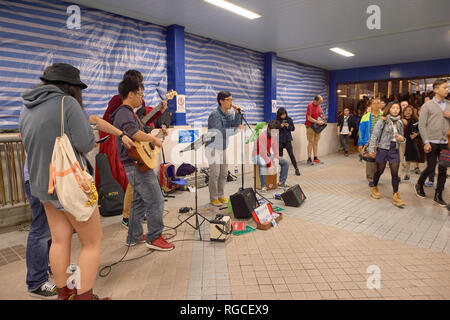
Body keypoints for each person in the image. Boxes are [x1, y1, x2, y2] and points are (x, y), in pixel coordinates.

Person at [19, 63, 109, 300]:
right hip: (70, 186)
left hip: (43, 186)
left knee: (58, 240)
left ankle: (64, 293)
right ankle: (84, 296)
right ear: (72, 87)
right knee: (92, 242)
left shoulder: (27, 108)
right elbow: (85, 142)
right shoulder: (66, 103)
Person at [97, 70, 166, 228]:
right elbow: (118, 124)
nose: (141, 93)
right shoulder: (120, 104)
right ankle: (134, 221)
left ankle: (132, 225)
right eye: (139, 87)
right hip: (117, 142)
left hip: (133, 145)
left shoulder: (131, 108)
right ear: (131, 90)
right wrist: (150, 138)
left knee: (135, 190)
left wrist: (158, 115)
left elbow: (140, 123)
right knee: (138, 188)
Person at [111, 77, 174, 250]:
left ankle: (134, 236)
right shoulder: (124, 112)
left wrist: (156, 137)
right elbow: (134, 134)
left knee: (138, 201)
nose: (142, 98)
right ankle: (154, 238)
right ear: (131, 93)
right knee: (155, 200)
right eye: (140, 94)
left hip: (135, 162)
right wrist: (154, 138)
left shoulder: (129, 113)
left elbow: (141, 139)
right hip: (136, 165)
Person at [23, 157, 56, 299]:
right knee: (41, 231)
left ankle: (50, 267)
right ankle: (37, 282)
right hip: (39, 178)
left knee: (49, 229)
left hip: (42, 177)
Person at [415, 78, 450, 207]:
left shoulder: (449, 105)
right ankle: (419, 184)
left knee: (443, 169)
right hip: (431, 142)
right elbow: (422, 125)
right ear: (436, 89)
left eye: (448, 87)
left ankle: (438, 195)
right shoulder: (427, 106)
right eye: (445, 87)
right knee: (430, 167)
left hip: (445, 143)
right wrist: (426, 142)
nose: (447, 90)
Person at [205, 91, 243, 206]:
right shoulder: (214, 115)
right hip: (213, 147)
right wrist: (236, 130)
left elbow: (235, 125)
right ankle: (213, 197)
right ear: (221, 101)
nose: (231, 102)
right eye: (229, 100)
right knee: (215, 174)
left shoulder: (229, 113)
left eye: (232, 99)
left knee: (224, 173)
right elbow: (219, 132)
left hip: (223, 147)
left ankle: (221, 195)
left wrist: (237, 114)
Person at [367, 101, 406, 207]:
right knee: (379, 171)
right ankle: (374, 187)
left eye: (397, 108)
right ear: (389, 109)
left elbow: (402, 138)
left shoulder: (400, 123)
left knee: (395, 173)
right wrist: (371, 150)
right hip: (383, 149)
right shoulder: (382, 121)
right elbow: (374, 135)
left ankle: (395, 195)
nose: (395, 110)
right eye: (393, 108)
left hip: (395, 149)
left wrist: (402, 139)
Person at [252, 120, 290, 191]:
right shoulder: (262, 136)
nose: (275, 134)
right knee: (263, 164)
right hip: (257, 155)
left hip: (267, 155)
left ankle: (281, 182)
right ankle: (263, 186)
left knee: (285, 162)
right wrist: (269, 163)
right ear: (269, 129)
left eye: (277, 131)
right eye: (274, 131)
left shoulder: (274, 135)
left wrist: (276, 158)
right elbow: (262, 153)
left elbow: (275, 148)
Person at [358, 98, 383, 187]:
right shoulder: (365, 117)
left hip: (381, 143)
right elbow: (361, 131)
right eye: (374, 103)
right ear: (371, 105)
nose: (376, 105)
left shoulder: (384, 116)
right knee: (370, 163)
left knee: (380, 163)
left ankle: (376, 177)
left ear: (381, 105)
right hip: (369, 143)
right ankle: (371, 179)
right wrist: (360, 143)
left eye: (378, 103)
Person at [276, 108, 300, 175]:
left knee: (291, 154)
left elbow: (293, 129)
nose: (283, 116)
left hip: (287, 139)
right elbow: (275, 130)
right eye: (282, 115)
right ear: (279, 115)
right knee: (280, 156)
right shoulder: (277, 121)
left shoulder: (289, 119)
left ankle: (296, 169)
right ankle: (281, 170)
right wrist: (280, 126)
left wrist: (288, 126)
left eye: (284, 114)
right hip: (280, 140)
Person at [402, 105, 420, 180]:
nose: (407, 112)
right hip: (400, 141)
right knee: (400, 158)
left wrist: (417, 134)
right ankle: (398, 175)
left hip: (410, 142)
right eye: (406, 110)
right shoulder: (400, 120)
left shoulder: (415, 121)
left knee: (408, 159)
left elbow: (420, 130)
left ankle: (407, 174)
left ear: (412, 112)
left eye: (409, 110)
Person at [305, 95, 325, 165]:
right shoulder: (310, 105)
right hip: (310, 126)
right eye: (319, 102)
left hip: (317, 127)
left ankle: (315, 157)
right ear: (315, 100)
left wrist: (321, 117)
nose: (320, 104)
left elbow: (319, 115)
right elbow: (309, 118)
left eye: (321, 102)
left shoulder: (319, 106)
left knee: (316, 142)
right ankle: (309, 158)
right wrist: (318, 122)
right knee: (311, 142)